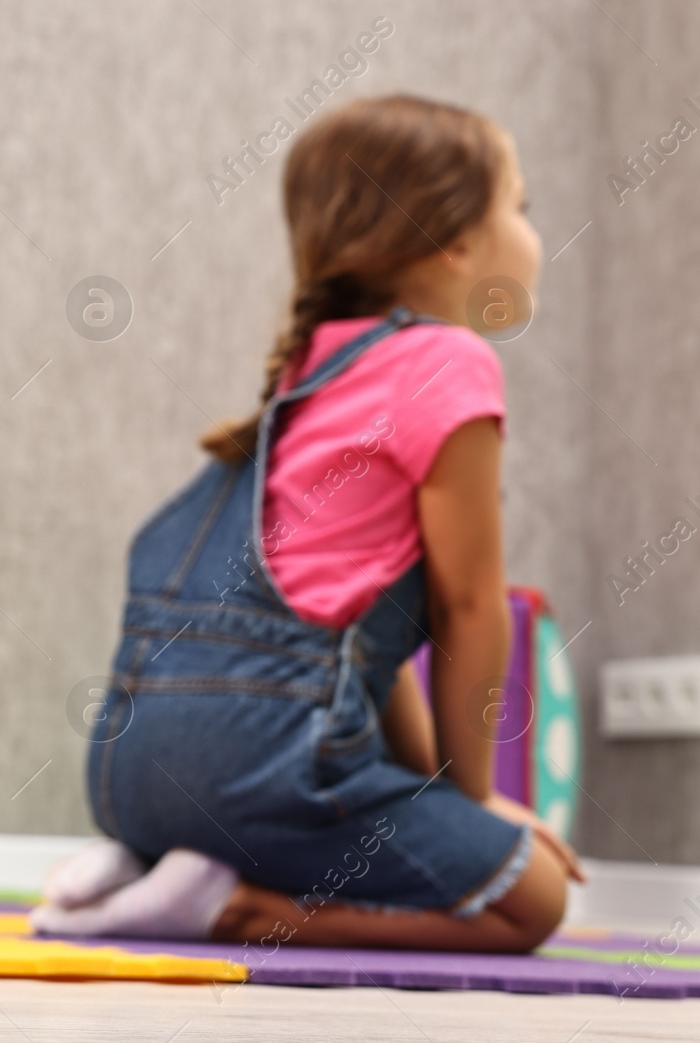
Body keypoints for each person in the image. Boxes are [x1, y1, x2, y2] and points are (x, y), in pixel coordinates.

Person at [33, 94, 582, 953]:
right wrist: (471, 797)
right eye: (521, 205)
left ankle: (151, 864)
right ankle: (243, 910)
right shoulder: (450, 363)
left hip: (127, 777)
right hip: (264, 775)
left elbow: (365, 646)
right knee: (533, 899)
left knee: (377, 807)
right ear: (457, 241)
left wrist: (414, 788)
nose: (531, 231)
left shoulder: (310, 370)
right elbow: (470, 610)